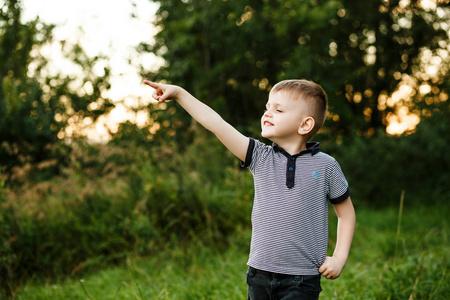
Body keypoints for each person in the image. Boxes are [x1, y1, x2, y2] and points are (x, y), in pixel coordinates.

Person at [144, 79, 356, 299]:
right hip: (259, 274)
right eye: (267, 107)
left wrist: (339, 258)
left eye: (278, 109)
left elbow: (346, 214)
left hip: (302, 278)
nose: (267, 113)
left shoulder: (326, 166)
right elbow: (216, 123)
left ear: (305, 125)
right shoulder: (260, 157)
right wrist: (179, 93)